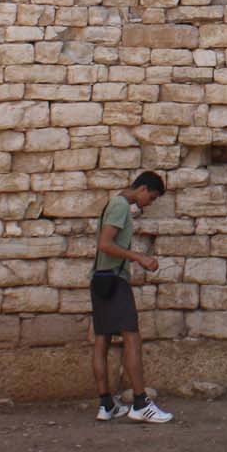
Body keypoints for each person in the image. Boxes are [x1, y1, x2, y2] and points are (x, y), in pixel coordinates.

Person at [90, 170, 173, 423]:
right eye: (153, 197)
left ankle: (106, 404)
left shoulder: (113, 203)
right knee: (132, 338)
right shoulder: (121, 206)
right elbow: (105, 243)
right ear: (143, 189)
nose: (151, 203)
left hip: (100, 279)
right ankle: (140, 402)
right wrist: (140, 258)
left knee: (102, 340)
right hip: (115, 280)